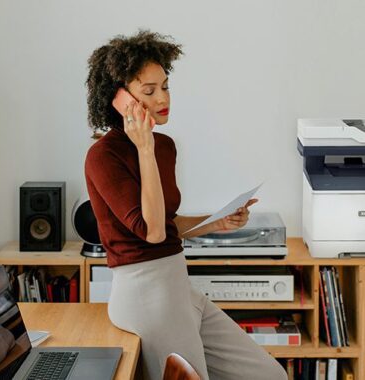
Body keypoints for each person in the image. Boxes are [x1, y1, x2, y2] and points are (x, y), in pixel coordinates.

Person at [84, 30, 287, 380]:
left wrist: (216, 223)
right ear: (120, 99)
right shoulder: (103, 157)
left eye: (165, 86)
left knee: (269, 375)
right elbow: (151, 231)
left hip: (177, 287)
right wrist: (143, 148)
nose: (163, 98)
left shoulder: (165, 147)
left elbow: (167, 222)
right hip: (145, 297)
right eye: (149, 91)